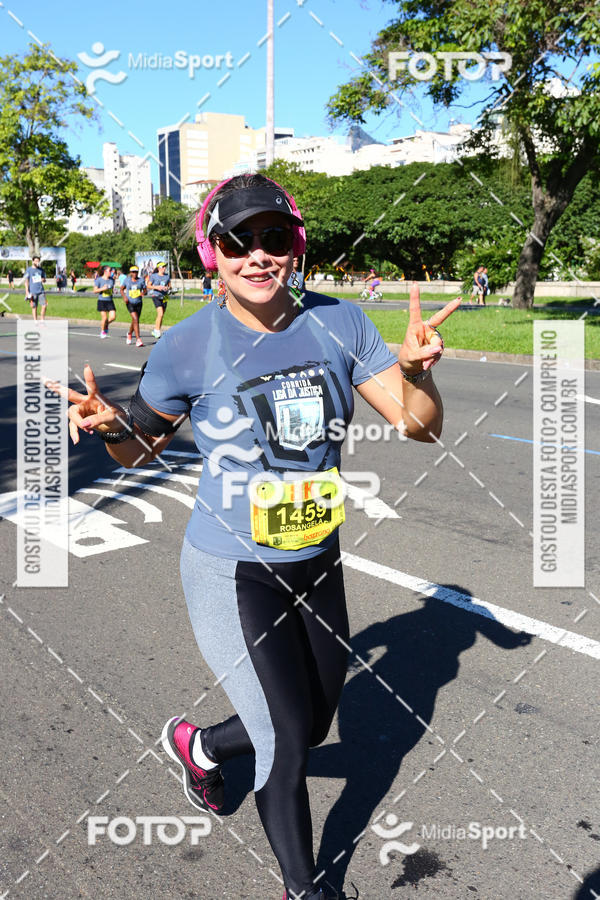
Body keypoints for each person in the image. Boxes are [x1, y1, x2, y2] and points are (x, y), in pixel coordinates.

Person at [52, 173, 461, 900]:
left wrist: (416, 373)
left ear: (295, 246)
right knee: (282, 738)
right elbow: (139, 448)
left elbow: (418, 426)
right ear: (214, 253)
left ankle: (201, 745)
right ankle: (303, 889)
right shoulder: (187, 346)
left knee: (309, 727)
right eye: (238, 241)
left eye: (274, 238)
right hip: (231, 568)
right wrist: (112, 428)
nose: (258, 256)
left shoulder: (339, 324)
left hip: (316, 559)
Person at [120, 265, 146, 347]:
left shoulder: (141, 280)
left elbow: (145, 289)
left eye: (136, 272)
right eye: (133, 272)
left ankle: (129, 333)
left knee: (135, 320)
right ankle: (138, 339)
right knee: (135, 319)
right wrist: (124, 297)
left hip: (138, 302)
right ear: (130, 273)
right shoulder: (127, 280)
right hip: (130, 302)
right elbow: (121, 289)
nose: (134, 273)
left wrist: (143, 293)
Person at [146, 261, 171, 339]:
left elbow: (170, 286)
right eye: (162, 267)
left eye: (165, 267)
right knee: (160, 313)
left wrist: (167, 288)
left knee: (162, 315)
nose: (164, 268)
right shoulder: (153, 276)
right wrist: (157, 287)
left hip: (164, 297)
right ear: (158, 268)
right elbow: (148, 286)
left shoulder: (167, 276)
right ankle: (157, 330)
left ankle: (156, 330)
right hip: (156, 296)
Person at [93, 264, 116, 339]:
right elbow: (95, 291)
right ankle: (103, 330)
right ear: (105, 271)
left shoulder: (112, 280)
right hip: (102, 301)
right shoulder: (99, 280)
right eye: (110, 271)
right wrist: (102, 289)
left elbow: (112, 289)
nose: (111, 272)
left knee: (113, 317)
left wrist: (114, 291)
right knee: (105, 318)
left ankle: (105, 325)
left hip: (110, 300)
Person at [24, 255, 47, 322]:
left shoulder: (41, 270)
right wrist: (27, 292)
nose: (37, 262)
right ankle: (35, 321)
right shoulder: (29, 270)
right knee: (34, 307)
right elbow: (26, 281)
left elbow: (44, 279)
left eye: (38, 261)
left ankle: (42, 320)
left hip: (41, 290)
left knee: (44, 305)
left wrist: (43, 280)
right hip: (32, 291)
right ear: (33, 261)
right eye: (36, 261)